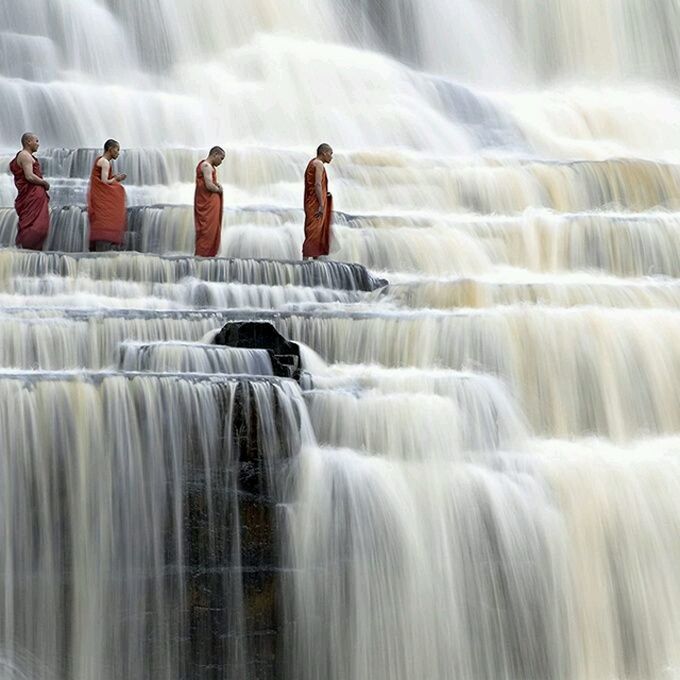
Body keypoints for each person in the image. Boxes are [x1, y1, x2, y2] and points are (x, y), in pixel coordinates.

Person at [9, 132, 50, 250]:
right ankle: (28, 249)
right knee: (35, 225)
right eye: (36, 141)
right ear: (28, 142)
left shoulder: (26, 156)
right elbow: (29, 176)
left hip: (32, 195)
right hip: (32, 194)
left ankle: (31, 252)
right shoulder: (25, 155)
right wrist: (44, 183)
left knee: (38, 224)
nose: (38, 144)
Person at [87, 139, 127, 251]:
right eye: (117, 149)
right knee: (119, 190)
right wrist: (116, 179)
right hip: (99, 194)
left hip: (95, 193)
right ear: (110, 149)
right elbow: (104, 182)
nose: (118, 153)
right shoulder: (105, 162)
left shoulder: (100, 160)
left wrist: (114, 178)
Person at [302, 143, 333, 259]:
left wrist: (326, 193)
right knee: (314, 230)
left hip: (310, 201)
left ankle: (314, 260)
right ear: (324, 153)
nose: (331, 157)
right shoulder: (318, 164)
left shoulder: (312, 163)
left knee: (315, 230)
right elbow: (317, 184)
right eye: (330, 153)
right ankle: (306, 260)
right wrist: (321, 204)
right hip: (315, 203)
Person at [194, 146, 225, 257]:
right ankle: (203, 255)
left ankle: (207, 257)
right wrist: (219, 190)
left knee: (210, 229)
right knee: (207, 229)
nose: (221, 162)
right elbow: (209, 185)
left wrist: (217, 185)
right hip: (208, 203)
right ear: (215, 154)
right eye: (221, 158)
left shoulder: (207, 165)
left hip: (208, 202)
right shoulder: (206, 166)